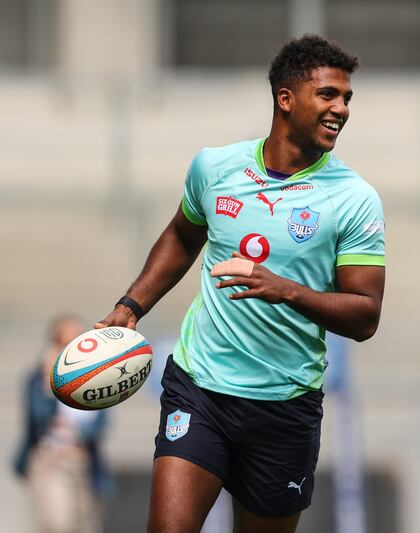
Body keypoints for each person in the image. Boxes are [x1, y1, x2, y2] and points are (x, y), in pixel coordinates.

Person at [95, 35, 385, 533]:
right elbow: (182, 236)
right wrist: (131, 305)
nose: (341, 109)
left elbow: (365, 316)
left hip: (285, 404)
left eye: (346, 98)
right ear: (285, 98)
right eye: (328, 95)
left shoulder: (354, 198)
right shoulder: (215, 167)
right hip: (199, 388)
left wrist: (287, 290)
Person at [13, 315, 112, 533]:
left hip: (84, 462)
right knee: (59, 524)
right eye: (64, 343)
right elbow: (38, 417)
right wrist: (49, 382)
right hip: (52, 460)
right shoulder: (37, 380)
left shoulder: (96, 380)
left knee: (86, 525)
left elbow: (101, 424)